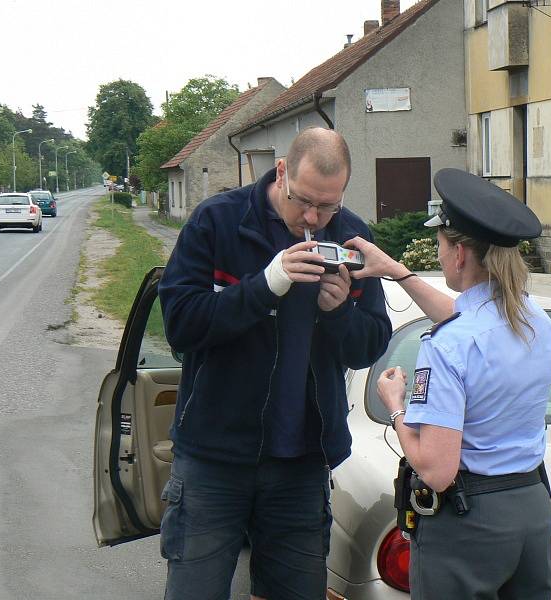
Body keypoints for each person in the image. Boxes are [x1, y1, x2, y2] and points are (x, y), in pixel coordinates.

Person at [157, 127, 391, 600]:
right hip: (213, 459)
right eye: (302, 200)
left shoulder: (351, 237)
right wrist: (265, 285)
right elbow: (181, 327)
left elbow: (369, 346)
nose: (311, 217)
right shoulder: (217, 223)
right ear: (281, 171)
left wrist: (339, 312)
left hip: (301, 463)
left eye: (327, 206)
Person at [347, 168, 551, 599]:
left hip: (469, 525)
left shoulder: (448, 346)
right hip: (530, 508)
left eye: (442, 245)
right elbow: (464, 317)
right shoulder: (535, 319)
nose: (441, 256)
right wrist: (394, 270)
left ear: (459, 254)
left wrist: (396, 406)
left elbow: (436, 470)